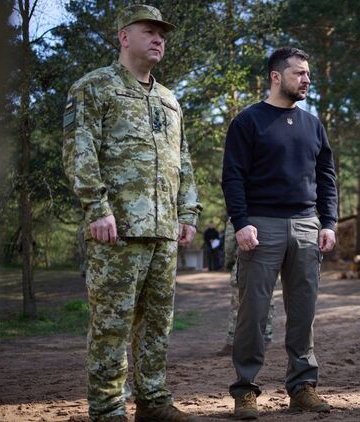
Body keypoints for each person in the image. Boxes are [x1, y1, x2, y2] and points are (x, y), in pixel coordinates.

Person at [62, 4, 202, 421]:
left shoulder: (169, 99)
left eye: (162, 34)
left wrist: (188, 212)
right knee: (112, 324)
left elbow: (183, 160)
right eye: (148, 31)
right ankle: (107, 409)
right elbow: (79, 151)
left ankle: (153, 401)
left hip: (163, 231)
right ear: (124, 37)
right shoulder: (94, 87)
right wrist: (96, 208)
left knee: (157, 323)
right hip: (116, 229)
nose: (158, 39)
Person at [221, 47, 338, 419]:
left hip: (306, 226)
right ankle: (245, 390)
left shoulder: (313, 125)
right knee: (253, 313)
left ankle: (302, 387)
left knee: (303, 313)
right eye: (299, 73)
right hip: (260, 226)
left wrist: (329, 222)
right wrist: (241, 222)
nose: (306, 79)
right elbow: (232, 177)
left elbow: (326, 178)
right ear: (276, 76)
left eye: (308, 73)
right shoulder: (248, 121)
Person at [219, 220, 276, 357]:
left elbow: (229, 243)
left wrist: (229, 262)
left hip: (245, 259)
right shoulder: (272, 212)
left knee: (239, 303)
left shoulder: (238, 215)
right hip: (269, 262)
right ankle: (266, 337)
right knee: (267, 298)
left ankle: (232, 342)